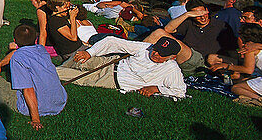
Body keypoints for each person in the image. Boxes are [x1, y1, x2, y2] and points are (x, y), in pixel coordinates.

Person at [56, 35, 186, 98]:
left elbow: (180, 92)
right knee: (79, 56)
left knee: (65, 75)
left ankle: (44, 71)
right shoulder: (146, 48)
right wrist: (90, 53)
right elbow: (112, 41)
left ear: (172, 57)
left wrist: (157, 88)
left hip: (112, 80)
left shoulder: (171, 70)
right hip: (110, 63)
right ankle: (47, 68)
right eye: (156, 49)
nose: (155, 54)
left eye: (161, 54)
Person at [0, 24, 67, 129]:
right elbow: (16, 52)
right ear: (35, 38)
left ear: (14, 40)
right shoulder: (41, 49)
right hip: (59, 101)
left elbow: (28, 89)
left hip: (36, 106)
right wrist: (0, 64)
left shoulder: (17, 59)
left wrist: (35, 119)